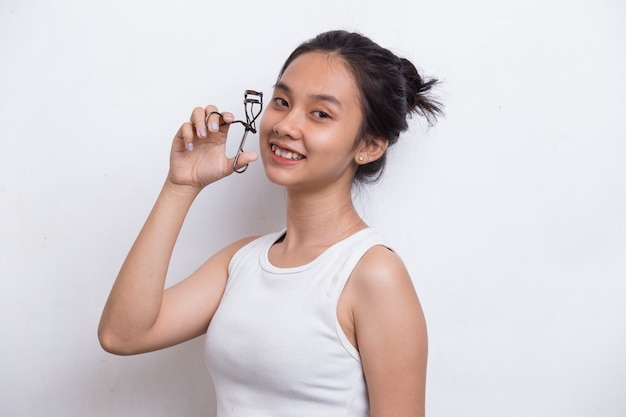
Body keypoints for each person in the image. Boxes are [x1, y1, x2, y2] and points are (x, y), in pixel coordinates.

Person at [98, 29, 442, 417]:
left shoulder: (373, 273)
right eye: (282, 101)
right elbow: (121, 335)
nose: (285, 125)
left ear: (369, 146)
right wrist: (181, 186)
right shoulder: (243, 260)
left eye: (320, 114)